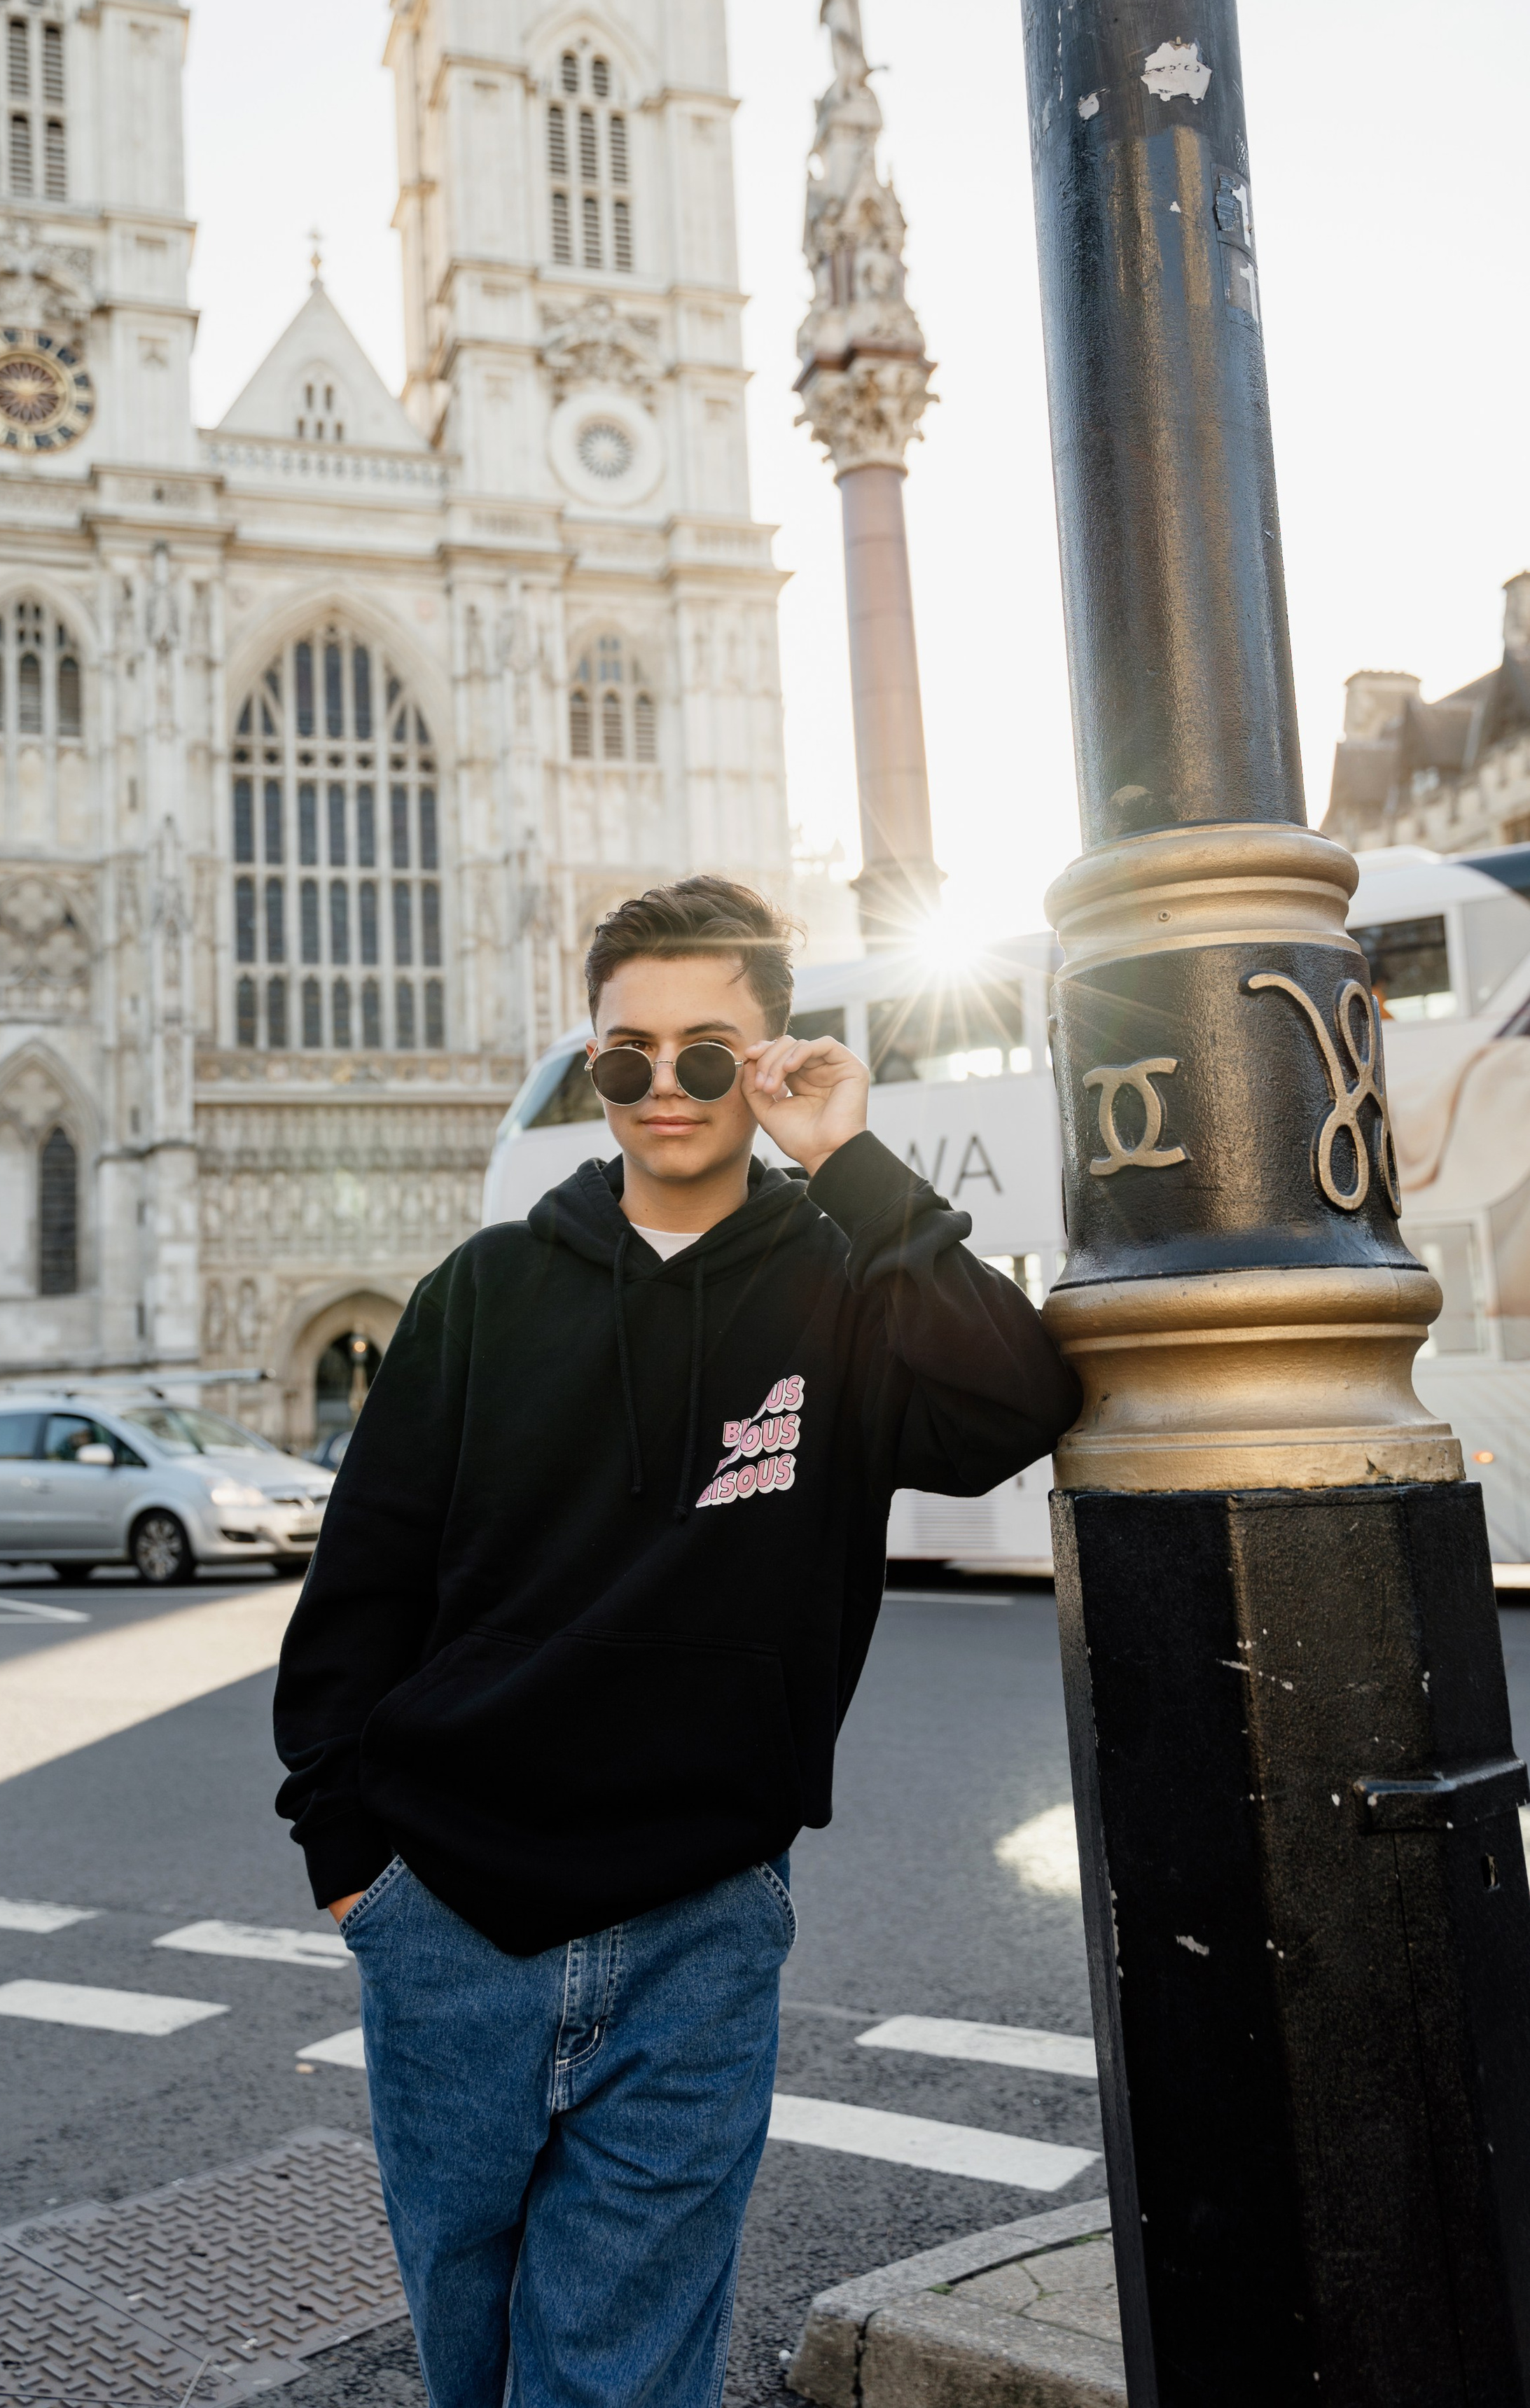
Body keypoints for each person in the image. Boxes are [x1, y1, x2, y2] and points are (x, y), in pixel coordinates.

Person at [274, 877, 1080, 2408]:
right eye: (624, 1053)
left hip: (701, 1918)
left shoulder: (843, 1285)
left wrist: (846, 1159)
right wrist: (350, 1860)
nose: (664, 1085)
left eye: (708, 1051)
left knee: (619, 2379)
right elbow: (360, 1584)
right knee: (472, 2358)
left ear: (769, 1058)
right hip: (447, 1916)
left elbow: (1015, 1405)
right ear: (592, 1065)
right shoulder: (482, 1290)